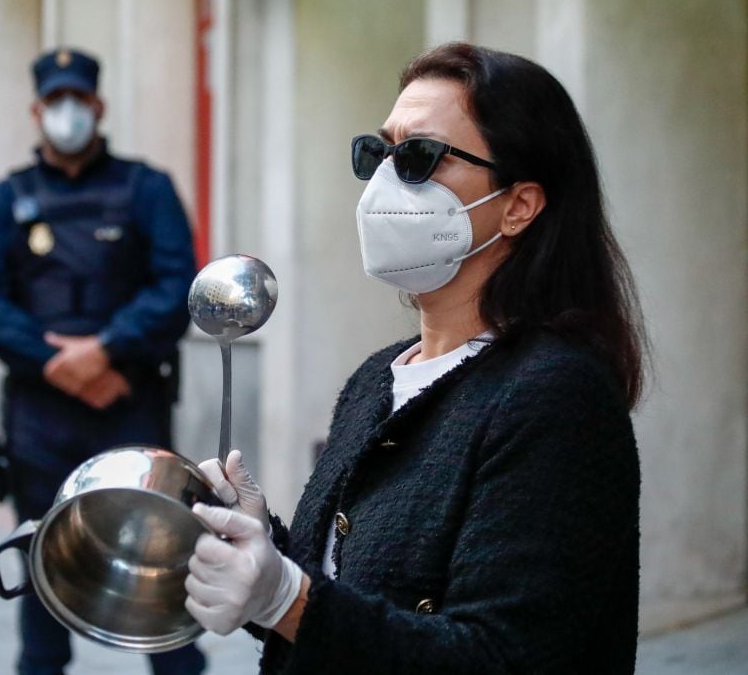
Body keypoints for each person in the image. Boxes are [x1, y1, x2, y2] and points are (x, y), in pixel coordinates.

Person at [183, 42, 646, 674]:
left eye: (420, 157)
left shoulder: (556, 395)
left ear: (518, 206)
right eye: (378, 153)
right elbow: (355, 608)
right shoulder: (379, 378)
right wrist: (265, 548)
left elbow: (505, 658)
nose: (384, 182)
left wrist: (287, 601)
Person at [0, 47, 204, 675]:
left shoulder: (146, 188)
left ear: (98, 107)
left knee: (162, 563)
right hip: (41, 416)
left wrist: (105, 352)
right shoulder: (3, 199)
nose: (67, 113)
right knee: (43, 562)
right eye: (55, 101)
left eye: (79, 100)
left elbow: (177, 284)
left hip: (129, 403)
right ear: (36, 110)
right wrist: (55, 365)